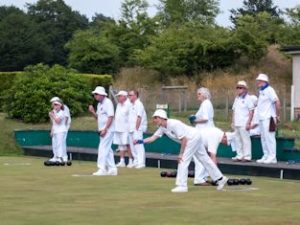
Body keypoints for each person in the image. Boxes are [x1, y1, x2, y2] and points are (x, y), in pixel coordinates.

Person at [143, 109, 228, 193]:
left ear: (162, 118)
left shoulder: (173, 124)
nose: (154, 120)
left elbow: (184, 139)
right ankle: (220, 178)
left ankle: (182, 186)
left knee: (182, 160)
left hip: (192, 138)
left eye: (156, 118)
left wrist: (181, 154)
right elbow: (152, 138)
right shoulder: (162, 128)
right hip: (195, 136)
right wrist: (140, 141)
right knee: (205, 159)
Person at [88, 86, 118, 175]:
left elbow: (111, 117)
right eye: (94, 94)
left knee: (102, 148)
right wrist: (92, 112)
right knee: (107, 149)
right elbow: (98, 118)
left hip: (108, 130)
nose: (95, 96)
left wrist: (105, 129)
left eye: (96, 94)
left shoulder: (108, 102)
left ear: (102, 95)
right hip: (102, 130)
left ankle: (102, 169)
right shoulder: (99, 104)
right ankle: (112, 169)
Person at [190, 87, 216, 185]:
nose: (198, 95)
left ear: (204, 94)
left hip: (204, 132)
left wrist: (194, 121)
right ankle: (202, 177)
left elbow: (205, 119)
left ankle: (200, 179)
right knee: (203, 155)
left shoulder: (205, 103)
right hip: (205, 132)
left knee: (200, 155)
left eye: (199, 94)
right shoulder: (206, 104)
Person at [255, 74, 281, 164]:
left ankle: (272, 157)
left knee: (269, 138)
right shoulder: (261, 91)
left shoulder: (270, 90)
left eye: (259, 80)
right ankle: (266, 155)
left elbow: (277, 102)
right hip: (262, 118)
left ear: (263, 81)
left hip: (269, 117)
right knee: (263, 138)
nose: (257, 82)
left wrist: (277, 116)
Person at [231, 81, 255, 162]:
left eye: (240, 87)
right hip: (237, 122)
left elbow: (251, 111)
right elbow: (234, 111)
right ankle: (239, 155)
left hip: (244, 123)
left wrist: (248, 122)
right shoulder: (237, 98)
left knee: (245, 140)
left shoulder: (248, 98)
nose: (238, 89)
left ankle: (247, 156)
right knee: (237, 139)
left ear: (245, 89)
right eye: (237, 87)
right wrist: (233, 121)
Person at [114, 90, 135, 168]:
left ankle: (131, 161)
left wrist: (130, 128)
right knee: (121, 145)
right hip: (118, 128)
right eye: (118, 96)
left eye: (120, 96)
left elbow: (131, 117)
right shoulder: (118, 105)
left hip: (126, 128)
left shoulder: (129, 105)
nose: (118, 98)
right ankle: (122, 161)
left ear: (124, 97)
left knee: (128, 144)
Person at [128, 90, 148, 169]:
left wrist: (136, 128)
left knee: (139, 145)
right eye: (129, 95)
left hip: (138, 128)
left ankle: (141, 163)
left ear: (136, 95)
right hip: (131, 128)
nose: (129, 97)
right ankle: (136, 161)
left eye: (131, 95)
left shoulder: (139, 104)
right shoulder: (131, 105)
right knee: (133, 146)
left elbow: (139, 117)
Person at [50, 97, 71, 162]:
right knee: (54, 143)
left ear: (60, 105)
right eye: (54, 104)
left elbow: (58, 121)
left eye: (56, 104)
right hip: (55, 130)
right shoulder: (53, 112)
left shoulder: (62, 112)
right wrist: (52, 130)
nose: (54, 105)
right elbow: (53, 122)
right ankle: (55, 156)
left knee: (60, 144)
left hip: (61, 130)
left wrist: (52, 115)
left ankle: (61, 157)